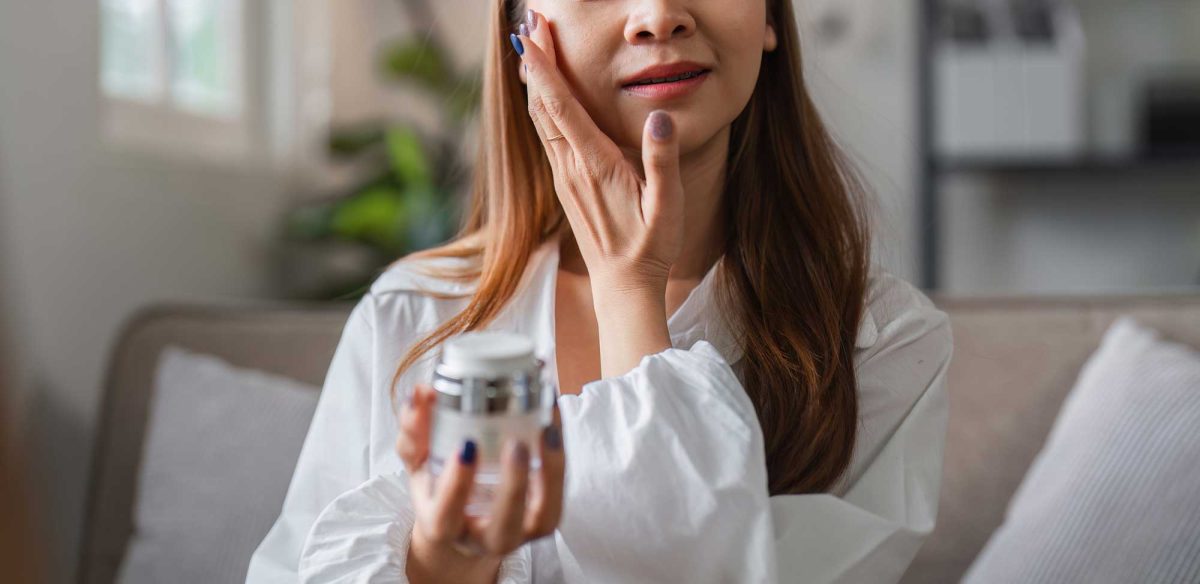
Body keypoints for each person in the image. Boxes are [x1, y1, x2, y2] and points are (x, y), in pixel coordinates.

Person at [247, 0, 953, 582]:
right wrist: (444, 561)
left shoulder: (884, 340)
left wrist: (628, 292)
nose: (657, 16)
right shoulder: (414, 314)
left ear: (769, 15)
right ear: (520, 35)